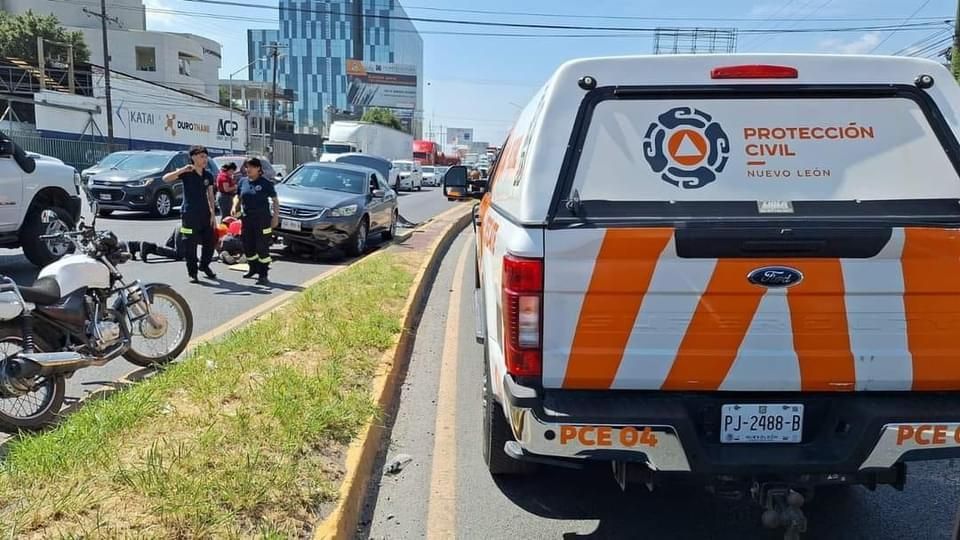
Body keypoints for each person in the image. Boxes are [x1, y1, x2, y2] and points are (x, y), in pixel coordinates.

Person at [163, 145, 217, 283]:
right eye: (201, 157)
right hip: (189, 214)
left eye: (205, 157)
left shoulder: (208, 175)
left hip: (205, 213)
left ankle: (204, 266)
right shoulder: (187, 173)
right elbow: (166, 179)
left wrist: (212, 214)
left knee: (210, 241)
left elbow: (210, 195)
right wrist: (182, 169)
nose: (204, 159)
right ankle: (192, 272)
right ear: (193, 157)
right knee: (190, 243)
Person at [233, 157, 279, 285]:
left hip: (262, 220)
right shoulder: (243, 182)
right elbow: (238, 196)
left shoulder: (266, 183)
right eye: (246, 167)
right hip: (247, 220)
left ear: (258, 168)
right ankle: (253, 268)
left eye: (251, 167)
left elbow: (275, 201)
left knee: (262, 247)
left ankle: (263, 274)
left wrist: (275, 217)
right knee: (248, 246)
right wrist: (234, 206)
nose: (248, 169)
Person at [130, 222, 231, 262]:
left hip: (181, 225)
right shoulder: (217, 235)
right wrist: (221, 257)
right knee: (179, 254)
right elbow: (216, 247)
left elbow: (217, 247)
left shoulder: (219, 228)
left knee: (168, 249)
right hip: (185, 230)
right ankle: (149, 247)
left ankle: (139, 246)